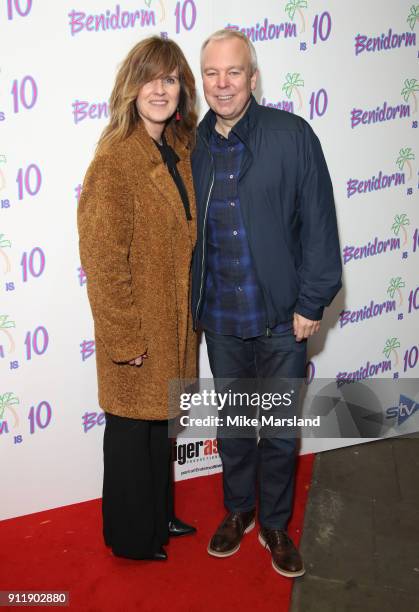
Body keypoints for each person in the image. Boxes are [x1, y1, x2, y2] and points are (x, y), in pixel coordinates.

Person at [191, 30, 342, 577]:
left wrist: (311, 300)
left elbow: (321, 228)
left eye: (233, 72)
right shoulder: (194, 144)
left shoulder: (292, 135)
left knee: (277, 428)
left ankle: (275, 523)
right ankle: (239, 511)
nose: (222, 83)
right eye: (212, 73)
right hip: (222, 318)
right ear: (202, 80)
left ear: (252, 78)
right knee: (233, 423)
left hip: (283, 317)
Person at [78, 36, 198, 561]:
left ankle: (159, 514)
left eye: (170, 79)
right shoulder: (115, 159)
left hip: (173, 324)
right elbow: (103, 261)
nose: (160, 88)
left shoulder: (179, 148)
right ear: (132, 86)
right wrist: (125, 337)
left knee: (158, 429)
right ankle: (132, 537)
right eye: (150, 77)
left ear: (181, 90)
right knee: (131, 430)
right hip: (137, 328)